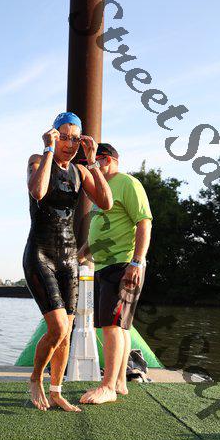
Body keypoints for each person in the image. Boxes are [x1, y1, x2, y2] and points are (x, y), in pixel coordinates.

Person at [23, 112, 113, 412]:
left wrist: (92, 162)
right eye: (63, 137)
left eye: (75, 139)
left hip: (69, 257)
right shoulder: (38, 160)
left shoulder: (81, 171)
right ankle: (36, 378)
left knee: (66, 332)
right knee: (58, 327)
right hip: (40, 254)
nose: (70, 144)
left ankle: (57, 390)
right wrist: (49, 150)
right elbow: (38, 191)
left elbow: (106, 202)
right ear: (53, 136)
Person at [77, 143, 152, 405]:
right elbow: (99, 230)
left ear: (106, 160)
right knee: (119, 326)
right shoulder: (102, 191)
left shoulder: (128, 183)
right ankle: (119, 382)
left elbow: (144, 222)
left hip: (123, 264)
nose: (90, 168)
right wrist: (82, 253)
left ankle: (107, 386)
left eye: (93, 162)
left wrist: (137, 262)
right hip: (103, 266)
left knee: (111, 326)